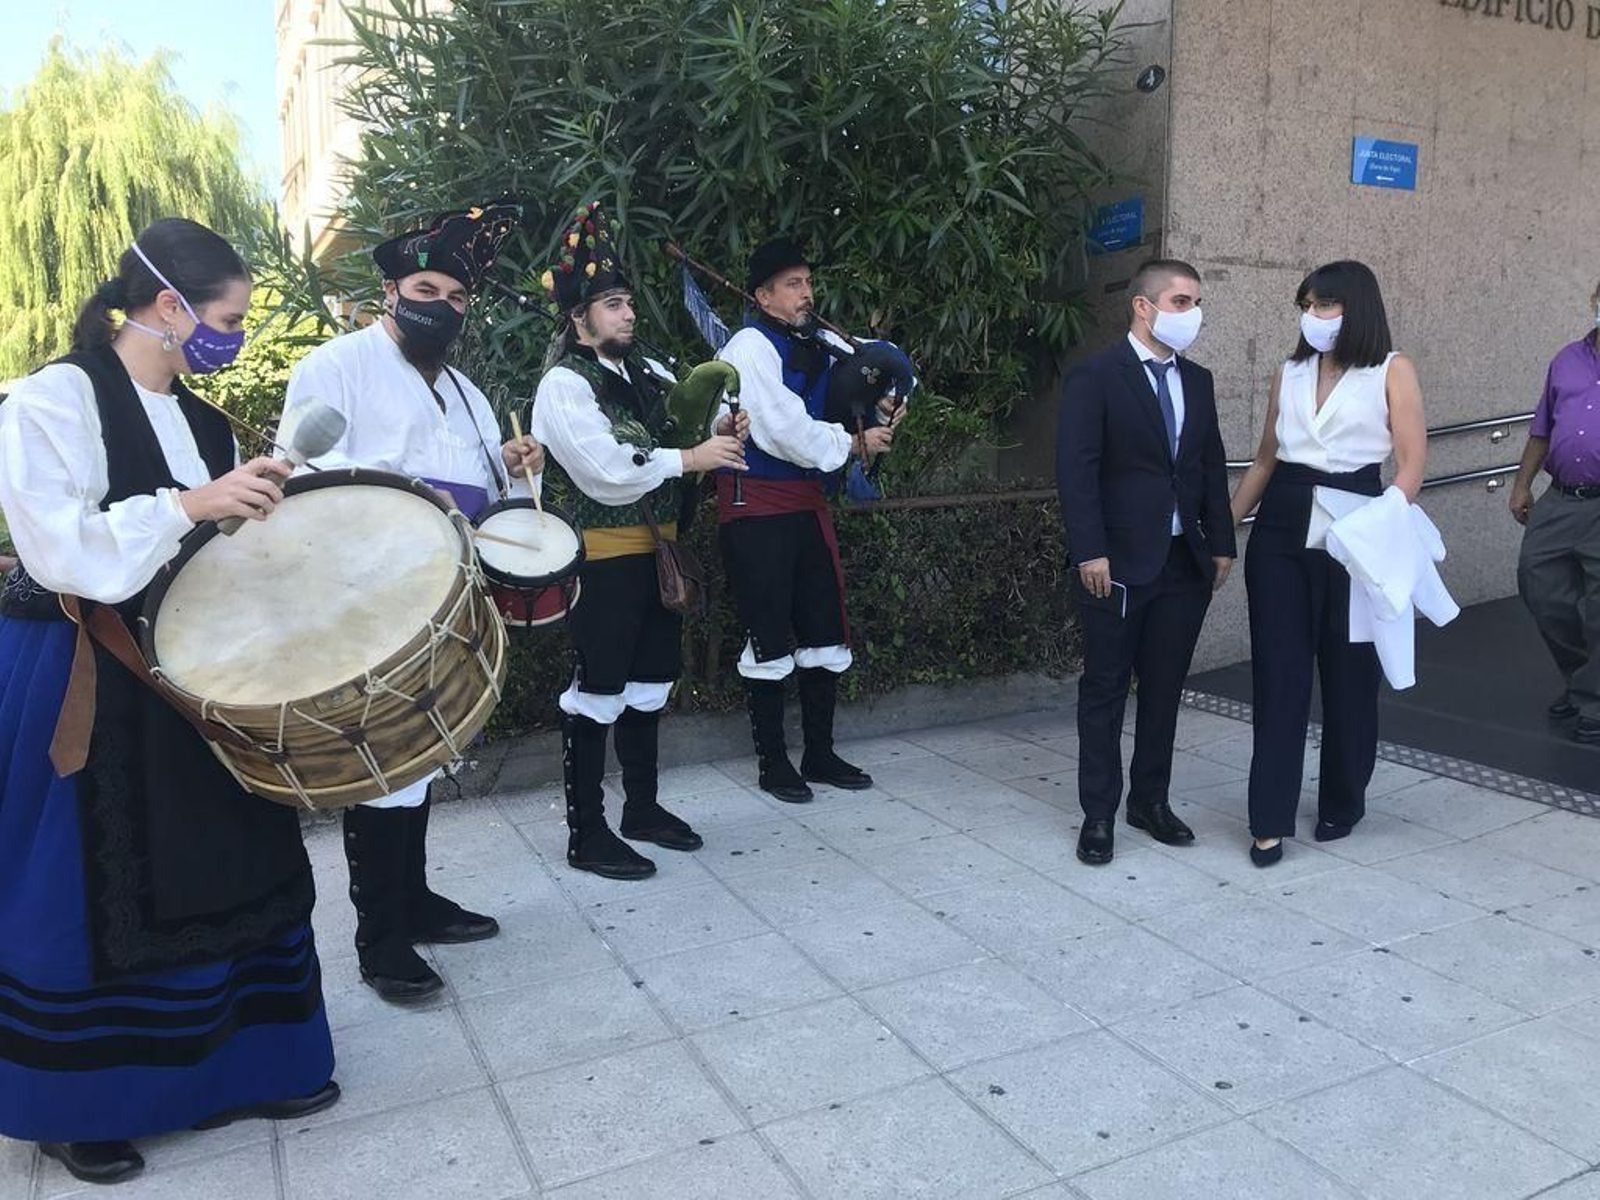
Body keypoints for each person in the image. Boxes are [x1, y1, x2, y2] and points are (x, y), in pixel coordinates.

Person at [0, 219, 338, 1185]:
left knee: (232, 848)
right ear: (166, 306)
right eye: (225, 318)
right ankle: (82, 1104)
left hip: (200, 665)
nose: (231, 334)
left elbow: (223, 548)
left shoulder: (207, 421)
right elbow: (60, 546)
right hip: (84, 665)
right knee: (87, 880)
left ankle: (250, 1061)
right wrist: (191, 506)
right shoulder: (54, 398)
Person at [277, 204, 543, 1003]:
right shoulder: (335, 367)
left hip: (446, 589)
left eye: (460, 296)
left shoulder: (465, 390)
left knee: (426, 752)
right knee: (380, 759)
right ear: (391, 290)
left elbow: (489, 493)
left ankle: (416, 899)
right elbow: (301, 476)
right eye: (429, 287)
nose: (444, 306)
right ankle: (379, 935)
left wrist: (509, 459)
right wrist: (407, 495)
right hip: (367, 585)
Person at [529, 203, 748, 880]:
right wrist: (692, 459)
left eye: (628, 302)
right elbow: (606, 471)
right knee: (597, 689)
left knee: (652, 681)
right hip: (602, 560)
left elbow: (689, 425)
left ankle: (642, 809)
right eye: (613, 304)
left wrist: (723, 429)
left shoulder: (649, 372)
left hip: (661, 554)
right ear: (579, 318)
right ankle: (586, 833)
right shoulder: (566, 385)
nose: (627, 314)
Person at [1230, 260, 1426, 866]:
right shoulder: (1288, 372)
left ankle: (1343, 799)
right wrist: (1221, 532)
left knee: (1348, 677)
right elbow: (1265, 459)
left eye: (1323, 306)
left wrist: (1383, 519)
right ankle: (1269, 818)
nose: (1311, 318)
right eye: (1307, 306)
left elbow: (1412, 463)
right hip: (1284, 522)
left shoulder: (1393, 370)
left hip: (1358, 521)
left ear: (1355, 308)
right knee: (1280, 674)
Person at [1056, 258, 1236, 866]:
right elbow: (1076, 471)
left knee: (1164, 690)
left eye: (1195, 302)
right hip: (1117, 564)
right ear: (1143, 306)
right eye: (1181, 301)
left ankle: (1150, 801)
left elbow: (1210, 464)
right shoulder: (1097, 377)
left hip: (1184, 564)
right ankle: (1099, 813)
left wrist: (1221, 545)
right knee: (1105, 689)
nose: (1192, 314)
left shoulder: (1200, 380)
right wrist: (1090, 549)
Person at [714, 238, 902, 803]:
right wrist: (854, 441)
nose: (806, 293)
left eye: (808, 282)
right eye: (792, 284)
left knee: (824, 628)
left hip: (805, 505)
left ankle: (819, 753)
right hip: (757, 506)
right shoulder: (748, 345)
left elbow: (878, 360)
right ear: (763, 295)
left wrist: (889, 396)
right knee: (770, 633)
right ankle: (773, 762)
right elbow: (781, 428)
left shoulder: (819, 340)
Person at [1510, 280, 1600, 745]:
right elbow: (1542, 428)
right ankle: (1586, 680)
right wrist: (1523, 483)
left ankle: (1594, 700)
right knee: (1538, 582)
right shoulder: (1566, 359)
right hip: (1561, 497)